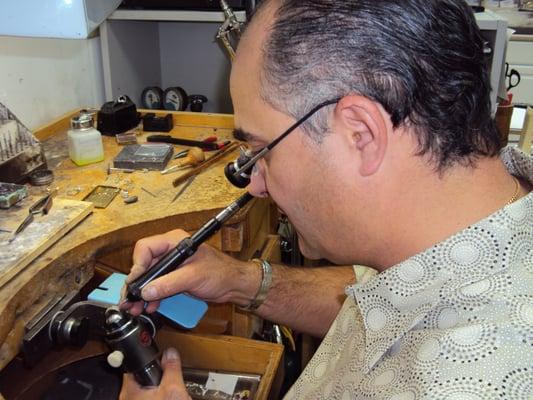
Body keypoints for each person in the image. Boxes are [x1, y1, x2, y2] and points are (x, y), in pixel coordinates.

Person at [120, 0, 533, 398]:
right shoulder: (463, 228)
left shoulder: (471, 381)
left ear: (361, 134)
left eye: (262, 152)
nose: (255, 186)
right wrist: (237, 281)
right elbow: (385, 305)